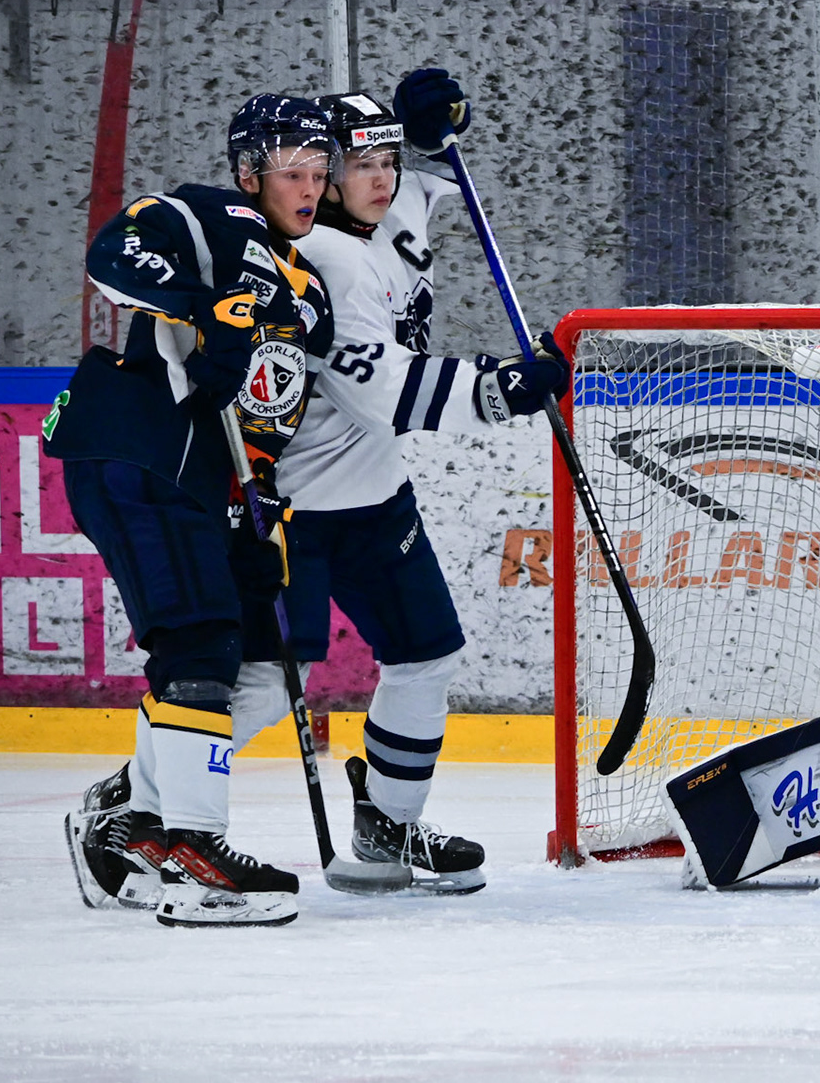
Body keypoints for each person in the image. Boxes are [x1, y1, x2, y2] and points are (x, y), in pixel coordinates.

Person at [218, 69, 565, 894]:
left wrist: (432, 130)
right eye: (358, 165)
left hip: (376, 500)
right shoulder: (323, 258)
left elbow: (419, 179)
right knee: (265, 689)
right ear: (320, 177)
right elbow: (383, 393)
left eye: (386, 163)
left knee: (426, 656)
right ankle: (137, 804)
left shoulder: (380, 205)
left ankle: (389, 827)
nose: (380, 179)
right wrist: (500, 388)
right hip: (294, 510)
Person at [53, 94, 338, 927]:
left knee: (251, 664)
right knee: (199, 647)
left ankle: (134, 824)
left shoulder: (309, 293)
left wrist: (260, 510)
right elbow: (112, 254)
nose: (309, 188)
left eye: (318, 173)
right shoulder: (210, 217)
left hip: (212, 482)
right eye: (291, 171)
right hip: (144, 448)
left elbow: (270, 413)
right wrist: (199, 304)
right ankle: (193, 855)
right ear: (249, 173)